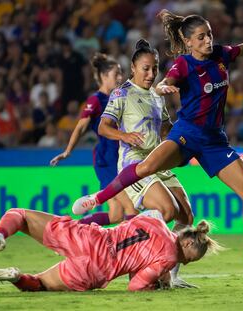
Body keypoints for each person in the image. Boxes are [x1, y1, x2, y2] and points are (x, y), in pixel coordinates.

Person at [74, 0, 243, 280]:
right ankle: (98, 197)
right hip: (187, 134)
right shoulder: (183, 65)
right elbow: (168, 80)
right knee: (147, 167)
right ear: (188, 42)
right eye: (201, 37)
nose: (208, 40)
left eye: (209, 34)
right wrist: (164, 86)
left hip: (214, 142)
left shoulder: (221, 55)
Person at [73, 39, 195, 288]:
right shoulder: (121, 93)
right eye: (145, 68)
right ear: (133, 68)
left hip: (158, 161)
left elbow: (164, 129)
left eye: (155, 68)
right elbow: (103, 127)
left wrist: (184, 130)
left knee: (186, 215)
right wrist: (124, 135)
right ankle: (138, 261)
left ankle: (170, 275)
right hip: (134, 164)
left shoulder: (156, 96)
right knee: (167, 210)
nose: (151, 74)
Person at [0, 208, 219, 291]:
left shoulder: (154, 218)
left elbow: (131, 223)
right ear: (186, 244)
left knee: (19, 215)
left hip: (88, 238)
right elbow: (135, 285)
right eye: (187, 259)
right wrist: (159, 285)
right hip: (95, 270)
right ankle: (14, 276)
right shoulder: (168, 259)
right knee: (40, 284)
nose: (182, 263)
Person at [50, 53, 136, 226]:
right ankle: (136, 248)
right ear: (104, 76)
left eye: (120, 73)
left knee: (116, 215)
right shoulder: (96, 100)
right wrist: (68, 151)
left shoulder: (119, 97)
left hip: (120, 157)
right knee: (131, 208)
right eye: (116, 74)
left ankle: (74, 228)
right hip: (107, 159)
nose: (120, 77)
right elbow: (81, 126)